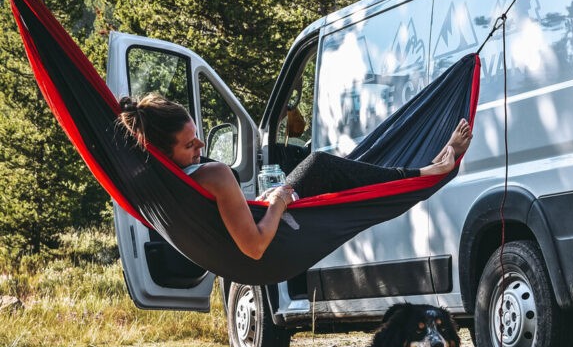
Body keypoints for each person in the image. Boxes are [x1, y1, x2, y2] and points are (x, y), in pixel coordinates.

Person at [117, 93, 472, 261]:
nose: (200, 144)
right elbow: (255, 247)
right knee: (320, 164)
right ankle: (426, 171)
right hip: (276, 236)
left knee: (344, 169)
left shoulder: (163, 176)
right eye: (189, 143)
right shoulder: (215, 173)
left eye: (198, 135)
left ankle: (414, 170)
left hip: (262, 225)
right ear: (164, 151)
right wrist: (279, 201)